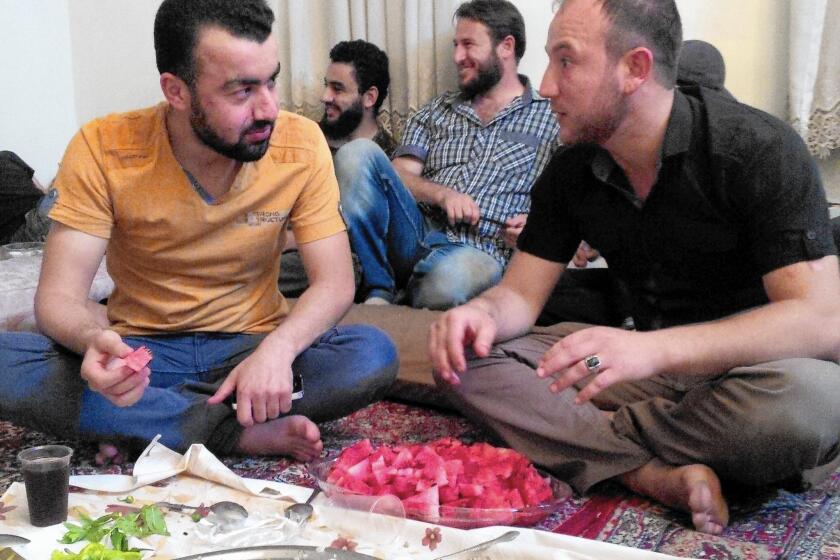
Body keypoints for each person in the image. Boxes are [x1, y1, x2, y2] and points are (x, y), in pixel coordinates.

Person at [430, 0, 840, 535]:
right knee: (467, 361)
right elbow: (520, 297)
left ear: (636, 69)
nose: (547, 85)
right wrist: (481, 313)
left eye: (566, 61)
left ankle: (586, 440)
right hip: (645, 378)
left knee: (811, 406)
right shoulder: (572, 166)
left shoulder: (756, 149)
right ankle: (650, 474)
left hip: (753, 375)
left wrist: (649, 350)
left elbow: (821, 321)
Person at [0, 0, 398, 461]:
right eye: (242, 91)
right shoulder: (104, 147)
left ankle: (147, 426)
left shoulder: (300, 144)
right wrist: (94, 342)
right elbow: (58, 298)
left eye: (271, 81)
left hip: (252, 349)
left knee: (371, 354)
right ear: (176, 91)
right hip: (142, 355)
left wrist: (278, 352)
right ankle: (230, 433)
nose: (269, 108)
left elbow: (335, 282)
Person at [337, 0, 560, 309]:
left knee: (447, 284)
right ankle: (379, 287)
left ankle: (412, 294)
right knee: (356, 152)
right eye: (456, 45)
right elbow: (399, 174)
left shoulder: (550, 118)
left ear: (506, 46)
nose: (457, 57)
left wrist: (535, 226)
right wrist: (442, 195)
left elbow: (571, 196)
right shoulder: (436, 111)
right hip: (416, 232)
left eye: (468, 44)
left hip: (482, 250)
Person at [279, 39, 395, 298]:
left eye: (338, 89)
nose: (325, 97)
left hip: (329, 255)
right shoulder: (305, 138)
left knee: (345, 267)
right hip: (266, 240)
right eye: (326, 86)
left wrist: (287, 241)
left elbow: (359, 237)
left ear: (369, 97)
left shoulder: (386, 162)